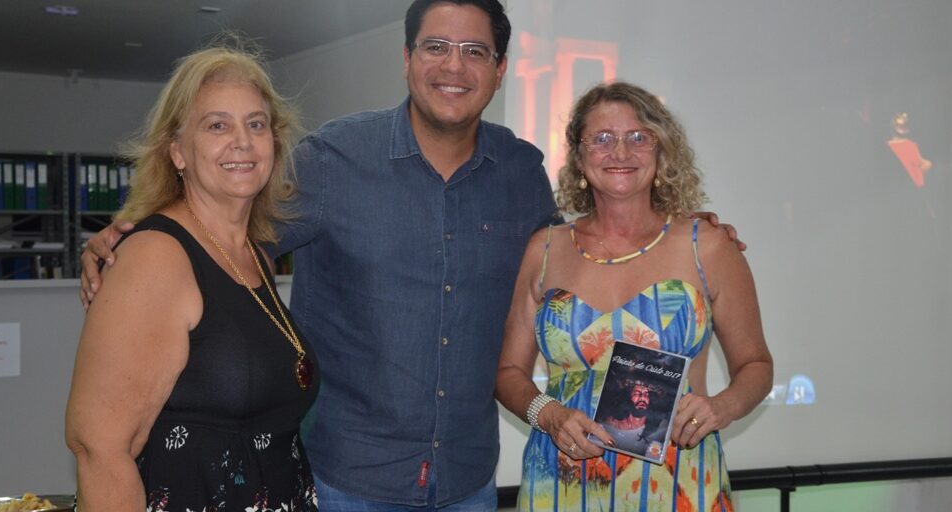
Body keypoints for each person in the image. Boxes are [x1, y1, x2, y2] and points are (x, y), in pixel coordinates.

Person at [78, 3, 741, 509]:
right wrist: (131, 238)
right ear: (407, 58)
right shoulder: (331, 162)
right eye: (436, 47)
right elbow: (220, 241)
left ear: (499, 71)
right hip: (345, 482)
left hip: (467, 481)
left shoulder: (520, 173)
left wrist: (680, 232)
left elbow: (583, 255)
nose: (454, 66)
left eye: (475, 51)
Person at [64, 42, 319, 511]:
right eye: (217, 125)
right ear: (177, 152)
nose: (242, 141)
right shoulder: (156, 256)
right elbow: (100, 450)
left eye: (256, 124)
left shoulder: (253, 254)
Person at [495, 81, 772, 511]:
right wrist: (548, 414)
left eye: (639, 137)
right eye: (602, 138)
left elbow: (756, 365)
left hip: (678, 485)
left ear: (661, 152)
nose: (620, 152)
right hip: (563, 484)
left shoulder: (707, 246)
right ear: (579, 156)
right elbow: (508, 371)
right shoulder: (545, 249)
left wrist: (723, 407)